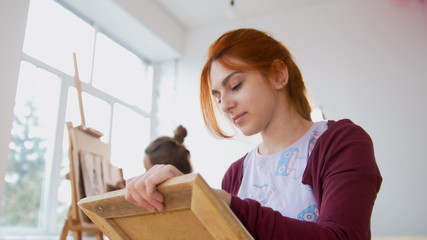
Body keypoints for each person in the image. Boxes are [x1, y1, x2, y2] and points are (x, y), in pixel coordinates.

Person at [125, 28, 382, 240]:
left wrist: (228, 205)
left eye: (235, 86)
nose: (225, 105)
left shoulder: (341, 143)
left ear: (279, 75)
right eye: (217, 98)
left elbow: (344, 236)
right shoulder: (236, 174)